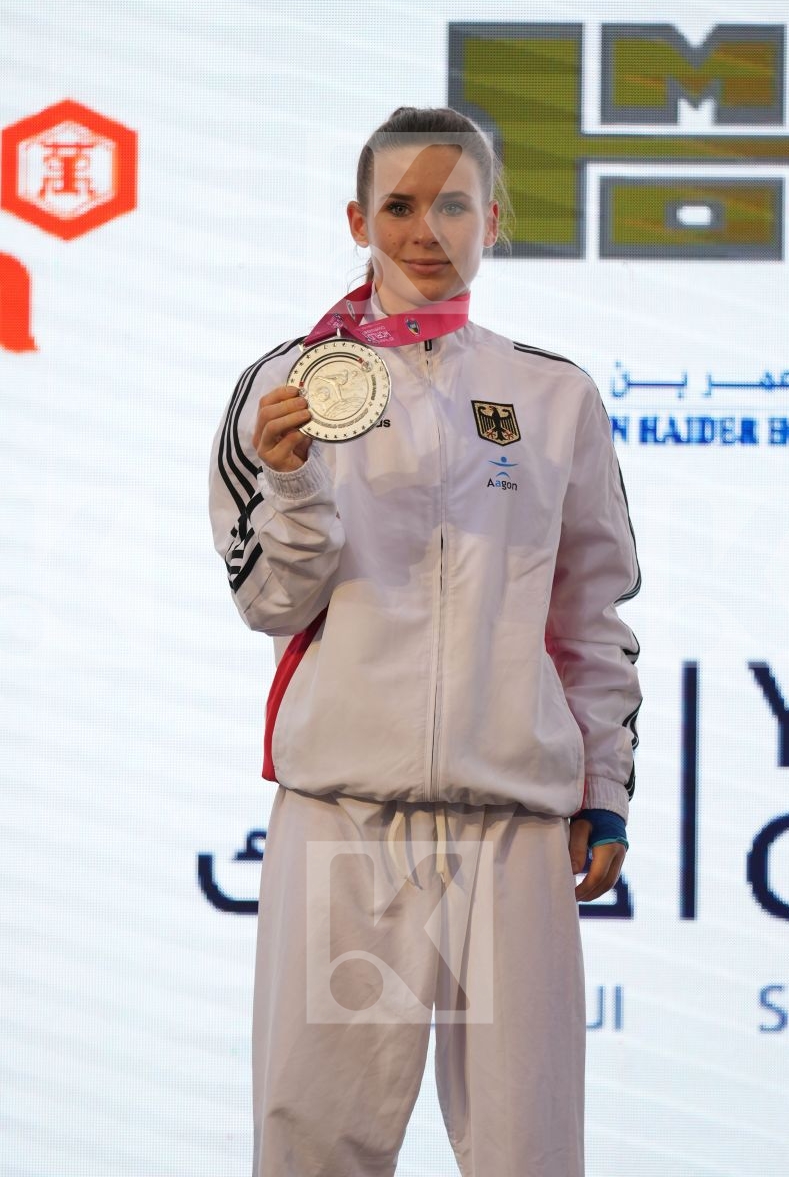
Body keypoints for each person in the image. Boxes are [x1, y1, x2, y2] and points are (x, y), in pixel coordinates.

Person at [209, 106, 642, 1177]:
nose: (425, 230)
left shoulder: (552, 396)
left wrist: (603, 790)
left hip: (514, 828)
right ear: (357, 219)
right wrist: (293, 484)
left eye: (452, 205)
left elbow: (591, 613)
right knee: (317, 1148)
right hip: (346, 821)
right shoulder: (284, 386)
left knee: (528, 1153)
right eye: (399, 205)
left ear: (491, 221)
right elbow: (270, 600)